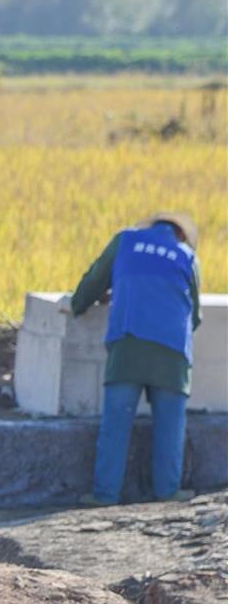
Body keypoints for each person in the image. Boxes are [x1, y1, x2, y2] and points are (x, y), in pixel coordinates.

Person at [60, 211, 201, 506]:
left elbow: (95, 280)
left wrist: (77, 305)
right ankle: (168, 492)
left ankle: (105, 495)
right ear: (181, 234)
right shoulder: (187, 255)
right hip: (172, 351)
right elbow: (196, 314)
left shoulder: (126, 240)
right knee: (170, 425)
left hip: (129, 343)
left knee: (116, 423)